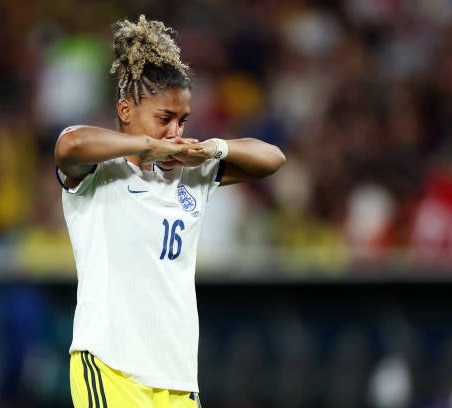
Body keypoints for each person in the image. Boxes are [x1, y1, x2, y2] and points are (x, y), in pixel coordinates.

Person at [55, 15, 285, 408]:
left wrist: (215, 148)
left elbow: (273, 158)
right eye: (164, 119)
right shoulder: (99, 172)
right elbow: (69, 145)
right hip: (110, 365)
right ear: (126, 109)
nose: (175, 132)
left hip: (176, 375)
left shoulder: (191, 175)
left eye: (183, 121)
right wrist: (148, 146)